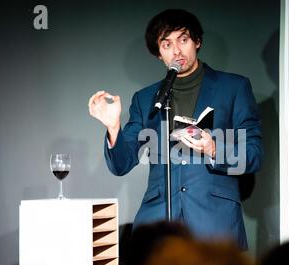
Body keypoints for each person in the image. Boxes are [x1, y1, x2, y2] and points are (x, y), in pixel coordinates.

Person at [88, 9, 262, 250]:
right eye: (166, 44)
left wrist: (213, 147)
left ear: (197, 41)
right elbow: (121, 164)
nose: (176, 51)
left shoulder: (233, 87)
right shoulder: (146, 98)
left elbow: (253, 155)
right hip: (157, 224)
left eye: (183, 39)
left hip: (214, 222)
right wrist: (113, 127)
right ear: (159, 54)